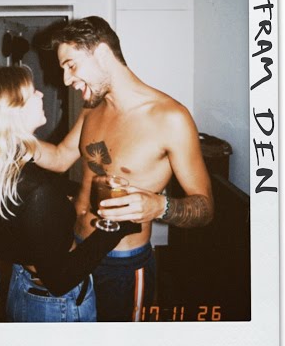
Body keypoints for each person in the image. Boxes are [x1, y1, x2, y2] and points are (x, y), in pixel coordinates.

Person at [33, 16, 214, 322]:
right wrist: (16, 141)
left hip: (121, 265)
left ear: (103, 54)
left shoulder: (171, 118)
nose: (65, 80)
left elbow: (205, 208)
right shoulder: (91, 109)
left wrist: (159, 206)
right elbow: (61, 157)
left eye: (71, 65)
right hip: (75, 249)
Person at [0, 65, 141, 322]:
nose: (41, 94)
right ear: (12, 113)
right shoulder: (37, 191)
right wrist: (118, 228)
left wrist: (73, 194)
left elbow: (29, 213)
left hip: (22, 285)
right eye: (32, 93)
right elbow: (60, 280)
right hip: (56, 306)